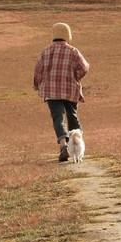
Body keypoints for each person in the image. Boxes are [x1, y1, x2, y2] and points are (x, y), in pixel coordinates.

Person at [33, 22, 90, 162]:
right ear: (68, 36)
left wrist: (38, 85)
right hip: (70, 89)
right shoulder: (73, 51)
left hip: (51, 91)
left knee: (58, 118)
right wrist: (75, 76)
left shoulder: (45, 52)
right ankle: (78, 146)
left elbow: (38, 71)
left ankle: (63, 146)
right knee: (72, 116)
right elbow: (85, 67)